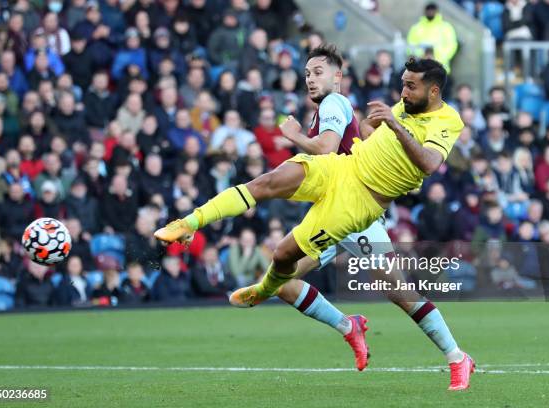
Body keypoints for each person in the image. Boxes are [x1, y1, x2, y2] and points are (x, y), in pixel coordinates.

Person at [155, 48, 474, 390]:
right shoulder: (394, 105)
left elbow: (426, 163)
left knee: (396, 292)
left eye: (316, 72)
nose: (403, 93)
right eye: (307, 73)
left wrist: (298, 137)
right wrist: (374, 130)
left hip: (359, 208)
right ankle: (190, 222)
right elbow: (369, 132)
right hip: (342, 175)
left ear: (434, 91)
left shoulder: (440, 120)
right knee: (281, 253)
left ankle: (457, 356)